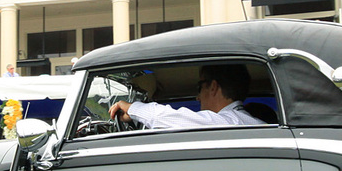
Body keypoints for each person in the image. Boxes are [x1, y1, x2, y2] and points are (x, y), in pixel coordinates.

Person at [108, 63, 260, 129]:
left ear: (213, 87)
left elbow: (170, 118)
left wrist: (133, 107)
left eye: (199, 88)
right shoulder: (243, 121)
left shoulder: (230, 122)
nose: (197, 97)